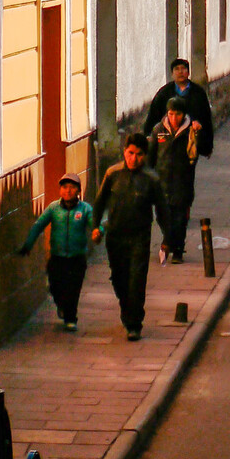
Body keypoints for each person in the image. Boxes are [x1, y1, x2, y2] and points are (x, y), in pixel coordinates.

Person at [92, 133, 171, 340]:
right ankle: (127, 310)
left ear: (144, 155)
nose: (133, 159)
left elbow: (162, 211)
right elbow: (99, 203)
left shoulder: (151, 179)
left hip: (140, 237)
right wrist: (95, 227)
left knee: (136, 281)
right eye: (130, 153)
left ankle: (134, 323)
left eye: (138, 154)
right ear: (124, 152)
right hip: (115, 236)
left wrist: (167, 239)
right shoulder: (113, 174)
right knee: (120, 280)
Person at [17, 172, 93, 331]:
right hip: (57, 257)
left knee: (73, 288)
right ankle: (62, 306)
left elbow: (94, 224)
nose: (68, 191)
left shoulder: (85, 209)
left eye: (72, 188)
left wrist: (98, 231)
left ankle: (70, 319)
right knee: (54, 285)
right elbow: (38, 225)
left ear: (78, 191)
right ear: (60, 190)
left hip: (77, 257)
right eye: (65, 187)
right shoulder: (53, 208)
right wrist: (28, 245)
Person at [148, 100, 198, 263]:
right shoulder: (159, 130)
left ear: (183, 114)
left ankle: (177, 250)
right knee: (162, 216)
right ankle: (168, 240)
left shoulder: (190, 130)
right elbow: (151, 157)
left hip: (183, 182)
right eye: (171, 114)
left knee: (180, 218)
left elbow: (195, 154)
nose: (174, 118)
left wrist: (198, 134)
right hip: (162, 182)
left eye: (177, 114)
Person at [144, 58, 214, 160]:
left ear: (188, 72)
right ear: (172, 73)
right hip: (168, 138)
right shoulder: (164, 92)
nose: (180, 72)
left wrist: (207, 145)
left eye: (183, 68)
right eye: (177, 69)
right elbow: (154, 114)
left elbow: (206, 118)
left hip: (189, 138)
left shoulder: (198, 93)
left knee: (187, 167)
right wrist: (148, 135)